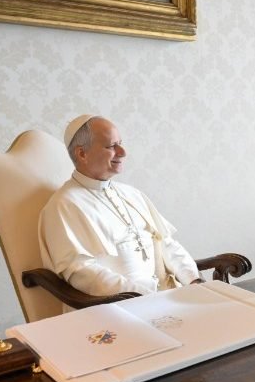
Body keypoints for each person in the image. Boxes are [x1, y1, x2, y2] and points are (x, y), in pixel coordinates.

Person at [38, 115, 202, 299]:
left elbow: (165, 243)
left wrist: (193, 280)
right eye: (111, 146)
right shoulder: (64, 205)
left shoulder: (132, 194)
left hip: (164, 299)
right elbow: (81, 272)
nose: (123, 152)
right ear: (82, 154)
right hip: (116, 307)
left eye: (120, 144)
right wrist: (144, 295)